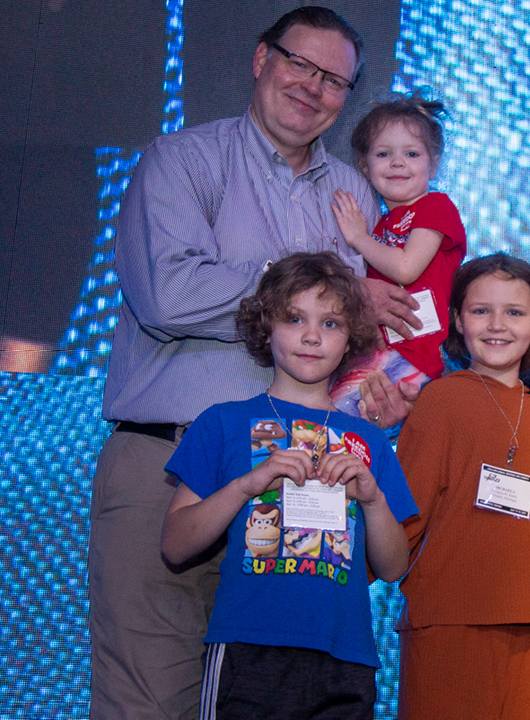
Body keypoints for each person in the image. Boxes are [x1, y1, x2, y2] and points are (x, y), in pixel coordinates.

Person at [89, 8, 420, 718]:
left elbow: (349, 335)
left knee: (276, 700)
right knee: (149, 699)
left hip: (300, 479)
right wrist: (304, 280)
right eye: (300, 64)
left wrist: (377, 393)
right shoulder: (182, 161)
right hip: (170, 461)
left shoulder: (354, 198)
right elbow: (168, 294)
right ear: (261, 59)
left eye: (335, 80)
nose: (313, 87)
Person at [160, 252, 418, 719]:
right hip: (247, 646)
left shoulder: (370, 440)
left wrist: (373, 498)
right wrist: (246, 485)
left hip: (346, 655)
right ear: (265, 325)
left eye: (332, 323)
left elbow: (395, 565)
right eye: (294, 318)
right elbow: (176, 545)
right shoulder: (222, 423)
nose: (312, 335)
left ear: (351, 340)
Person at [394, 254, 530, 720]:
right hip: (452, 617)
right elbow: (404, 521)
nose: (497, 325)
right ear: (458, 319)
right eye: (481, 311)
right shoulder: (441, 400)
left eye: (514, 313)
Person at [329, 96, 468, 415]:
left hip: (413, 356)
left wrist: (359, 238)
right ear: (364, 166)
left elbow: (406, 268)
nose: (397, 162)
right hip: (377, 351)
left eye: (412, 153)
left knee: (329, 423)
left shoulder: (436, 207)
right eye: (383, 153)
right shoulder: (381, 223)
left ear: (433, 164)